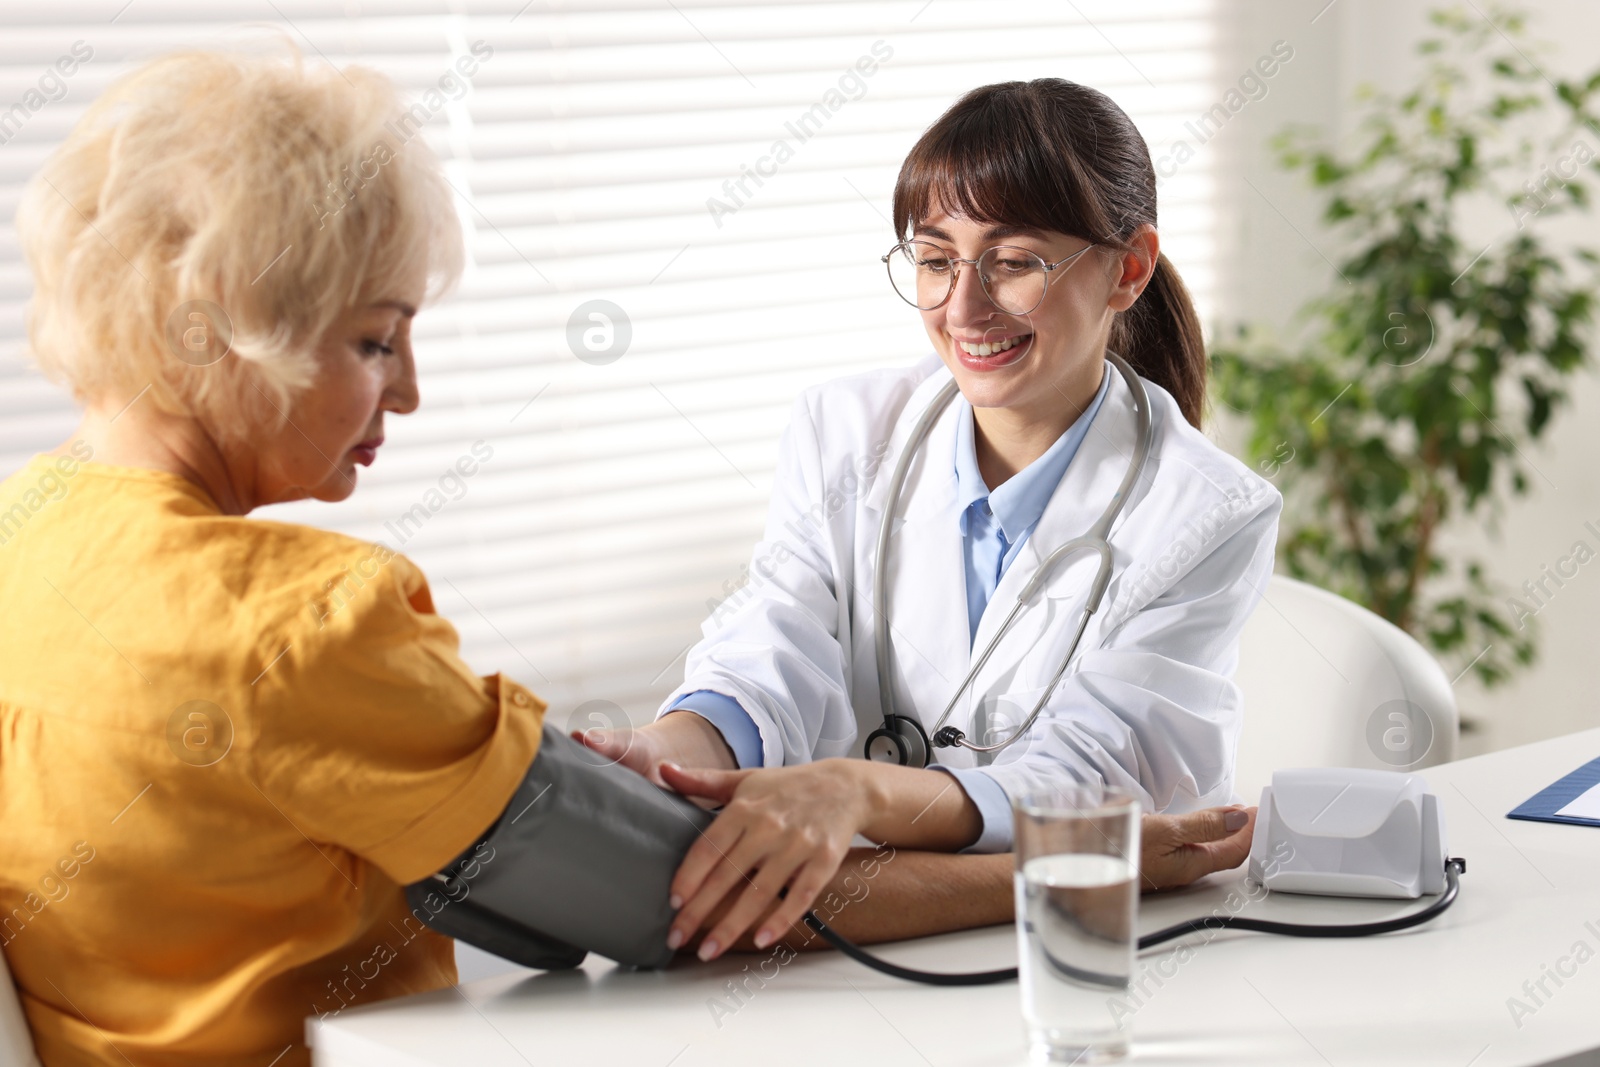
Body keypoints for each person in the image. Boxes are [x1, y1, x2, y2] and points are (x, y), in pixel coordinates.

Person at [0, 50, 1258, 1066]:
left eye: (1018, 261)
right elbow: (679, 892)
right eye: (379, 342)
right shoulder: (308, 623)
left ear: (1124, 269)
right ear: (235, 337)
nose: (417, 391)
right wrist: (1083, 856)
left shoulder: (22, 533)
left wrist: (835, 794)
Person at [581, 78, 1283, 961]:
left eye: (1014, 260)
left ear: (1128, 269)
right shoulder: (844, 431)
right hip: (867, 948)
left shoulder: (1207, 511)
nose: (963, 306)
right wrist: (660, 749)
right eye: (936, 257)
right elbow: (775, 645)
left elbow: (1093, 783)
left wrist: (855, 794)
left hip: (1093, 951)